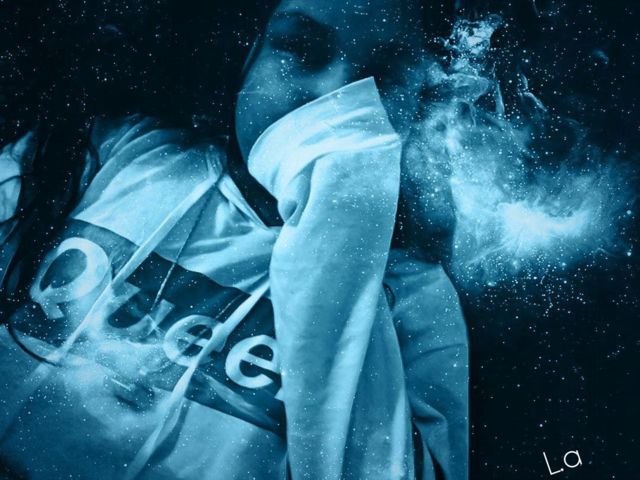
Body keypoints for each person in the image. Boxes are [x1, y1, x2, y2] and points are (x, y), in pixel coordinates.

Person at [0, 1, 468, 479]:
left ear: (420, 112)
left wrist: (345, 258)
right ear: (248, 53)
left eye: (383, 78)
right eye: (301, 48)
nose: (333, 96)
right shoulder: (112, 151)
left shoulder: (415, 297)